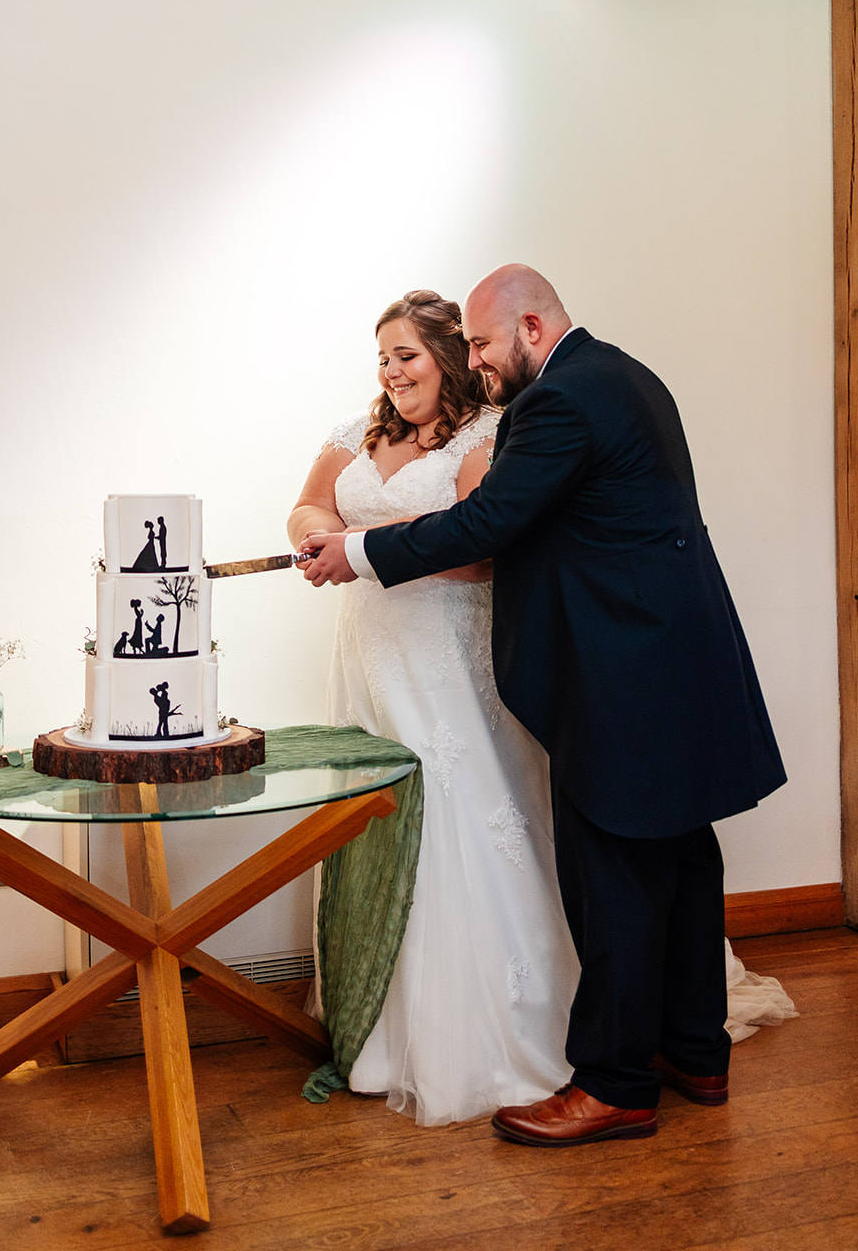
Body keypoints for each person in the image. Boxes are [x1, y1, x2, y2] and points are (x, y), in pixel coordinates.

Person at [300, 265, 787, 1146]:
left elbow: (489, 526)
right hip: (671, 656)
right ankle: (692, 1052)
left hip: (618, 672)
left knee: (614, 880)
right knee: (681, 861)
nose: (476, 360)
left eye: (482, 343)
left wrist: (360, 554)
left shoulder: (558, 400)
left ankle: (613, 1085)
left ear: (530, 327)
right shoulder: (626, 374)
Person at [289, 290, 579, 1126]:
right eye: (381, 357)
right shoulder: (356, 430)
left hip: (448, 653)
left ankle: (496, 1029)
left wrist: (368, 547)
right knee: (372, 818)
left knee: (461, 812)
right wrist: (321, 534)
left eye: (405, 355)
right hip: (370, 653)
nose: (389, 371)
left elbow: (480, 551)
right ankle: (377, 1020)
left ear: (450, 357)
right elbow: (309, 505)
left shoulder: (487, 435)